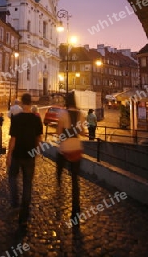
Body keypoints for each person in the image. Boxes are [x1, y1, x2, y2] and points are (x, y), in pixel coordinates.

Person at [6, 93, 43, 227]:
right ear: (31, 103)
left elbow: (13, 139)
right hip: (30, 155)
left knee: (12, 177)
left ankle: (15, 202)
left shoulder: (16, 118)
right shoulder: (36, 119)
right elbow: (39, 138)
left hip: (17, 154)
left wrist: (8, 154)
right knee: (28, 183)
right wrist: (37, 151)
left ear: (22, 103)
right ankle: (24, 213)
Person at [56, 93, 87, 223]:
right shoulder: (81, 114)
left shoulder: (62, 113)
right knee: (75, 181)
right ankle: (76, 211)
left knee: (60, 159)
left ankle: (59, 175)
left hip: (65, 147)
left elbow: (59, 132)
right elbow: (82, 132)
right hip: (77, 148)